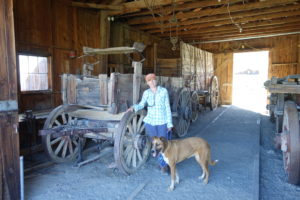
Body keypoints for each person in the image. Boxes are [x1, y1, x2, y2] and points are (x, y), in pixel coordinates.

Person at [127, 73, 173, 173]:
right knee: (154, 144)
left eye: (153, 79)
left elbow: (167, 108)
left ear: (156, 80)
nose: (152, 82)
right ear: (147, 83)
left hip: (162, 122)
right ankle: (162, 164)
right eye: (149, 80)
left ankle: (165, 164)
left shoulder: (163, 91)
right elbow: (141, 104)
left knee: (163, 144)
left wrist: (169, 124)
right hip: (150, 122)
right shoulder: (146, 93)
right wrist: (133, 108)